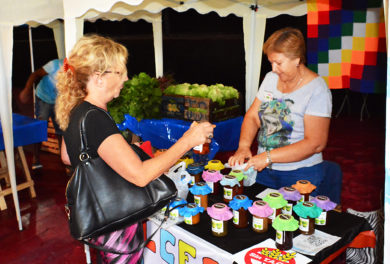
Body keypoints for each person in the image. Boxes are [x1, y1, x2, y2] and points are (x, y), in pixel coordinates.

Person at [55, 34, 215, 263]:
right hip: (116, 226)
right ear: (99, 78)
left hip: (100, 218)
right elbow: (141, 176)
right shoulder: (95, 118)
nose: (126, 78)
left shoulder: (77, 110)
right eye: (120, 72)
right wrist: (188, 140)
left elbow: (68, 157)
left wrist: (122, 149)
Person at [228, 27, 332, 193]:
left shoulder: (317, 89)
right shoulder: (270, 79)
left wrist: (268, 157)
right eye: (271, 62)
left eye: (279, 63)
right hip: (264, 170)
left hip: (300, 174)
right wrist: (244, 146)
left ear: (297, 59)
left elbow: (315, 143)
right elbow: (253, 116)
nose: (274, 68)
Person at [19, 58, 63, 169]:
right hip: (43, 98)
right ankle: (36, 159)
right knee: (40, 127)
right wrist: (27, 90)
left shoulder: (77, 70)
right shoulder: (55, 64)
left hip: (59, 101)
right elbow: (35, 75)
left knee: (61, 130)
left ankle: (64, 159)